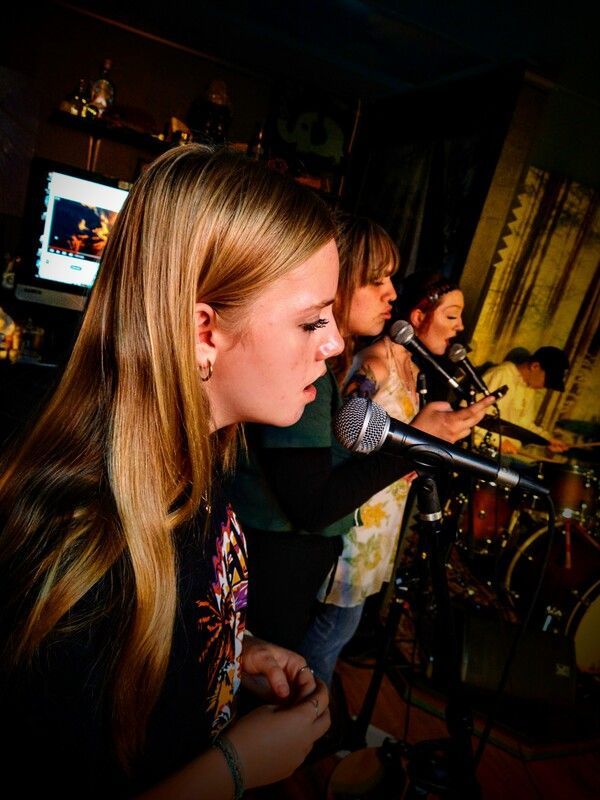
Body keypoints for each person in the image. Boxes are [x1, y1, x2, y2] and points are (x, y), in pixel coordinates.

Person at [0, 144, 343, 799]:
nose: (334, 343)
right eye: (310, 321)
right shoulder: (78, 556)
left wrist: (232, 654)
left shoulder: (196, 459)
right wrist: (235, 769)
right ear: (202, 330)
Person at [231, 228, 496, 672]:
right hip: (278, 556)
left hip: (296, 554)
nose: (391, 292)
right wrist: (416, 443)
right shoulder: (310, 371)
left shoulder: (329, 363)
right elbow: (313, 504)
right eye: (377, 280)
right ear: (333, 281)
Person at [301, 271, 469, 685]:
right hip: (356, 516)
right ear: (417, 315)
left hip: (383, 514)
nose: (460, 326)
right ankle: (302, 712)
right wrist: (411, 443)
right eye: (452, 315)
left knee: (343, 627)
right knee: (332, 630)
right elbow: (344, 432)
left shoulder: (414, 369)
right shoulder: (374, 363)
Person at [476, 346, 571, 455]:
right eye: (547, 381)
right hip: (481, 451)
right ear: (535, 366)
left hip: (504, 455)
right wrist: (498, 441)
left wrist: (547, 440)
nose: (545, 387)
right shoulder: (501, 374)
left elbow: (524, 424)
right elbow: (472, 415)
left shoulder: (529, 388)